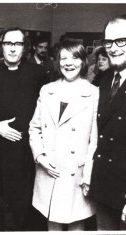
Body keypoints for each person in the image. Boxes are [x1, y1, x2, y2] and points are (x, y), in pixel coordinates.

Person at [0, 27, 47, 231]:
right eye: (8, 43)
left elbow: (46, 111)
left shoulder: (38, 73)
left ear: (25, 47)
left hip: (28, 152)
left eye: (17, 44)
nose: (12, 48)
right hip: (0, 151)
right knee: (0, 207)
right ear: (1, 46)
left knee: (27, 206)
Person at [29, 40, 98, 231]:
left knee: (76, 223)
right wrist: (40, 156)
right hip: (49, 169)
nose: (68, 63)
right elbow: (34, 128)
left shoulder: (93, 93)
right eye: (63, 58)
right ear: (57, 61)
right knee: (52, 222)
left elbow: (95, 140)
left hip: (77, 173)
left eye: (74, 58)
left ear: (83, 61)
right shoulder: (47, 90)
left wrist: (88, 175)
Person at [89, 14, 126, 231]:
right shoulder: (105, 80)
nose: (114, 48)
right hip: (104, 190)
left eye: (122, 40)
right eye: (109, 42)